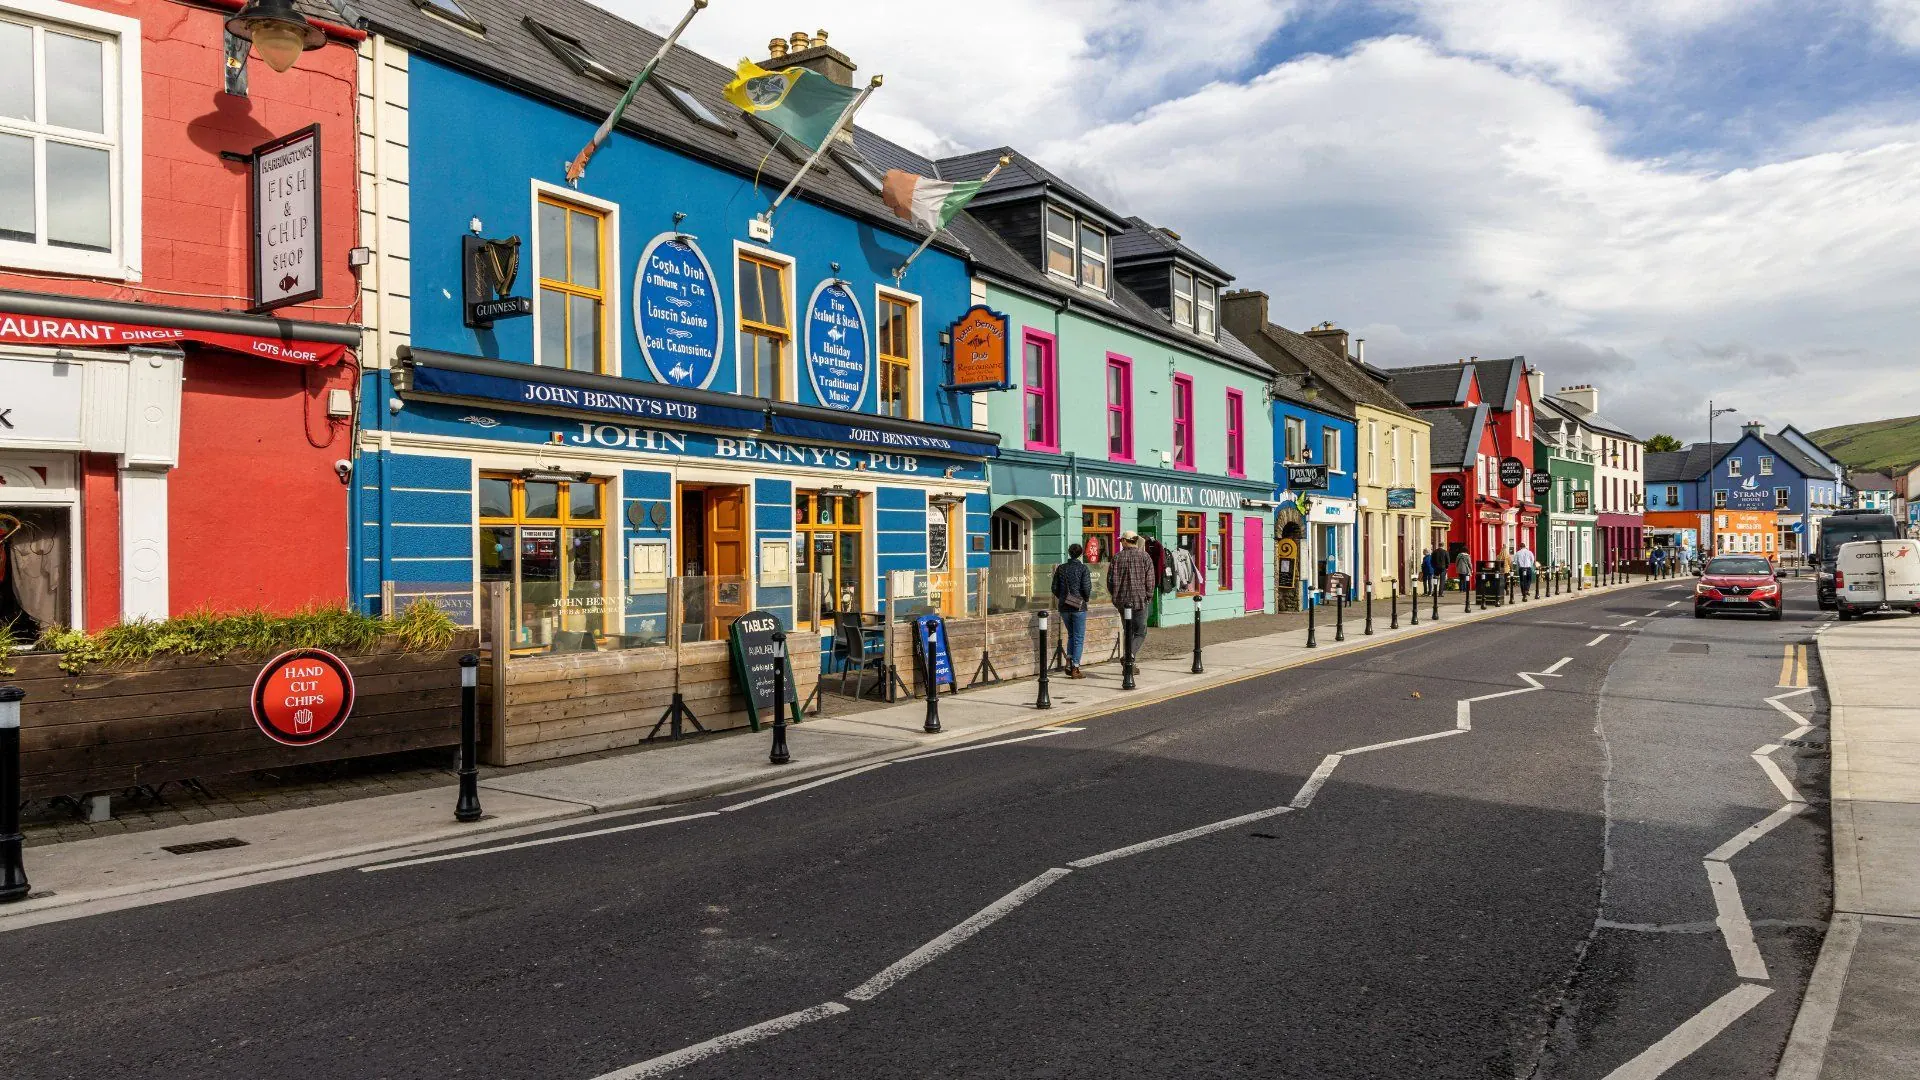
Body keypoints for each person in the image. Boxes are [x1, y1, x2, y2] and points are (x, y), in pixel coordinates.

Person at [1107, 531, 1155, 661]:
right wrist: (1148, 597)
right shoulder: (1145, 557)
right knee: (1140, 632)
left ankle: (1129, 663)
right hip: (1140, 601)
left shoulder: (1116, 558)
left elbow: (1110, 581)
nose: (1120, 543)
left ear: (1125, 541)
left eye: (1121, 540)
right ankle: (1130, 656)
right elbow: (1150, 580)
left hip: (1122, 602)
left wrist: (1115, 597)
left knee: (1128, 631)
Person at [1049, 543, 1093, 678]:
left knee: (1071, 635)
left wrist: (1063, 598)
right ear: (1081, 554)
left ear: (1069, 553)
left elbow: (1054, 588)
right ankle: (1075, 667)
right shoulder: (1083, 568)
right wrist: (1084, 599)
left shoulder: (1061, 568)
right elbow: (1086, 588)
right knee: (1078, 637)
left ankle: (1068, 660)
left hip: (1064, 606)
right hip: (1078, 606)